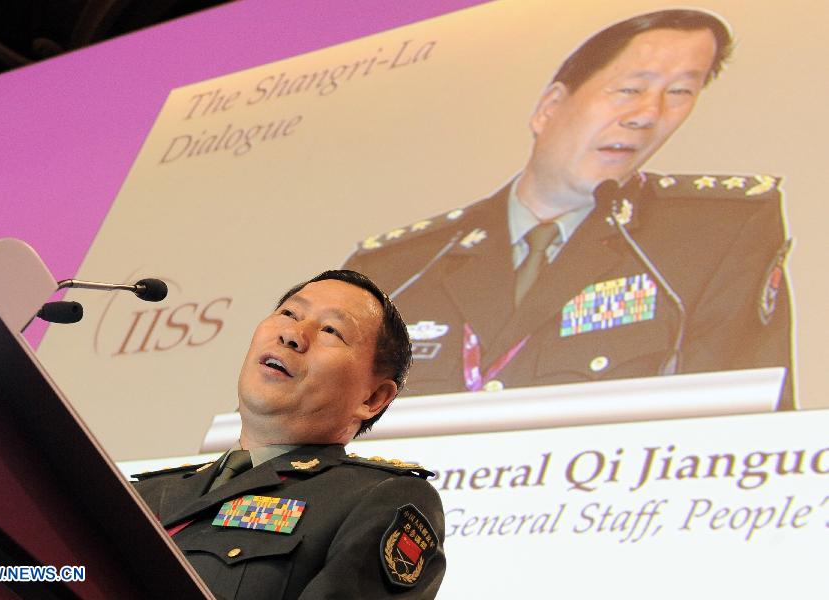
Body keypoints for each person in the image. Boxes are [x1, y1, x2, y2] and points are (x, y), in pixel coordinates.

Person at [344, 9, 794, 408]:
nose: (648, 114)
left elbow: (751, 435)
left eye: (679, 93)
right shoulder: (399, 267)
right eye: (629, 89)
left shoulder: (715, 238)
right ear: (549, 107)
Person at [133, 270, 445, 599]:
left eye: (331, 330)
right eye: (289, 314)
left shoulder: (382, 498)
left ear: (373, 398)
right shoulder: (141, 494)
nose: (292, 335)